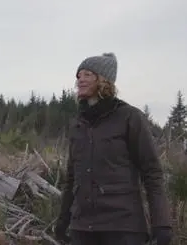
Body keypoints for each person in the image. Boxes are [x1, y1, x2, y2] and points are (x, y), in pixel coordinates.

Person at [54, 53, 173, 245]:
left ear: (103, 81)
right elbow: (71, 178)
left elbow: (152, 173)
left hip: (122, 227)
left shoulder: (129, 118)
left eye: (87, 75)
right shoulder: (78, 124)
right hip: (82, 228)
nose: (80, 80)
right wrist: (63, 221)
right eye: (78, 76)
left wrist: (162, 224)